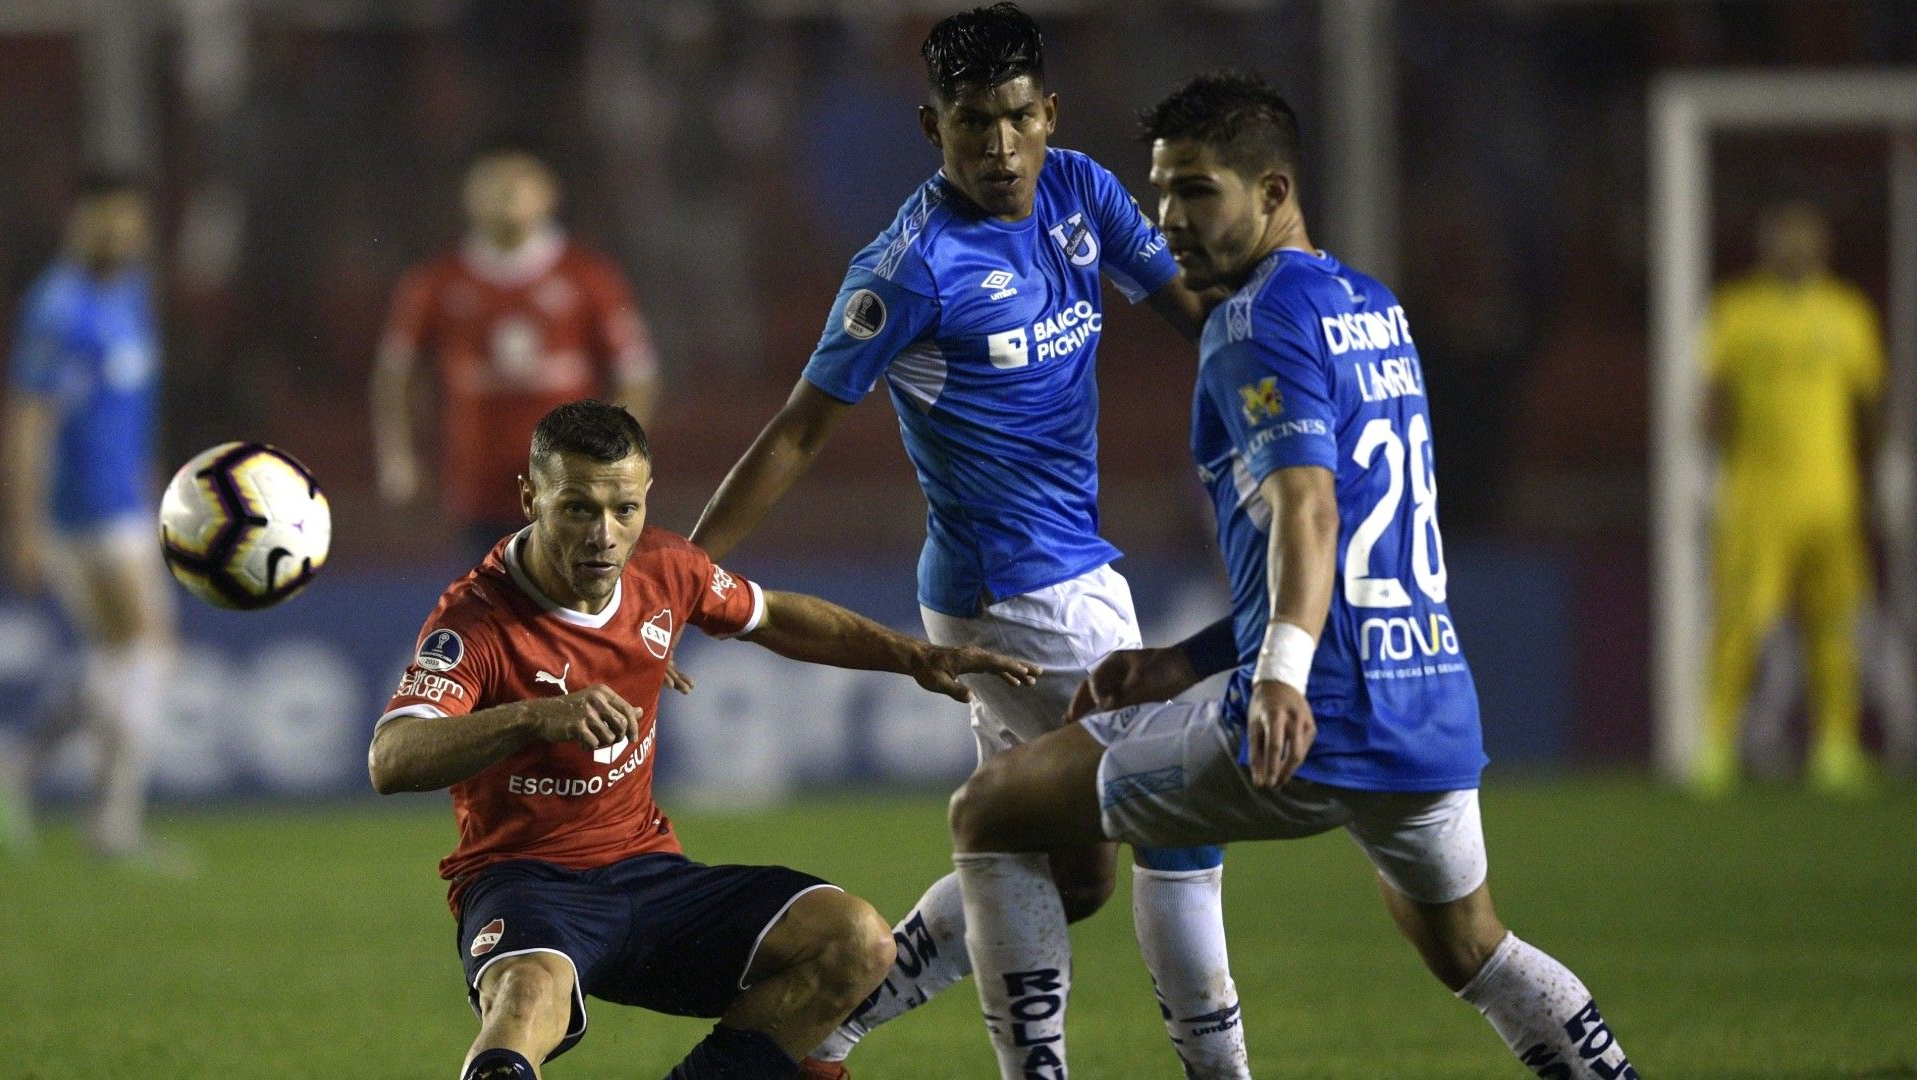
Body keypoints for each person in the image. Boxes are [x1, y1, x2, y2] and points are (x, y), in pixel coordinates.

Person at [946, 72, 1639, 1079]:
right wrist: (1182, 661)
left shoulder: (1251, 324)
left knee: (993, 808)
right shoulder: (1374, 308)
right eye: (1159, 191)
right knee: (1472, 948)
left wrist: (1275, 676)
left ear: (1274, 193)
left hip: (1320, 713)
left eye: (1197, 191)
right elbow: (1349, 545)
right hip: (1428, 703)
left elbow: (1309, 508)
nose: (1168, 221)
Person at [688, 5, 1248, 1077]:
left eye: (1016, 119)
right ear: (929, 125)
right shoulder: (907, 265)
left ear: (1051, 114)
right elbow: (799, 429)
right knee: (1181, 814)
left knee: (1063, 869)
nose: (999, 149)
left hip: (1073, 576)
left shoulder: (1080, 190)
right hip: (1013, 589)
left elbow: (1199, 313)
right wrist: (687, 574)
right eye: (971, 125)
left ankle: (824, 1028)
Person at [368, 399, 1040, 1080]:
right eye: (578, 509)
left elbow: (773, 615)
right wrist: (534, 717)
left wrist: (912, 656)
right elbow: (390, 759)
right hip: (525, 886)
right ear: (529, 498)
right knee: (523, 1003)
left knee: (855, 942)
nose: (605, 534)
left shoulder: (665, 567)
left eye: (624, 509)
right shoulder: (478, 618)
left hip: (649, 875)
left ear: (646, 499)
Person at [0, 170, 176, 863]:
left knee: (123, 657)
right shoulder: (57, 307)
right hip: (79, 512)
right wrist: (25, 527)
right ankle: (109, 823)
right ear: (76, 222)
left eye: (127, 221)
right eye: (103, 220)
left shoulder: (130, 293)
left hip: (125, 502)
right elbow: (27, 419)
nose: (117, 233)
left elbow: (130, 404)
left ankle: (21, 765)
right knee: (148, 652)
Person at [372, 140, 662, 563]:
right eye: (491, 183)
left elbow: (637, 373)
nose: (506, 192)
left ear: (549, 194)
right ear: (467, 198)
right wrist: (398, 458)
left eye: (519, 181)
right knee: (494, 601)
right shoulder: (435, 282)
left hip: (570, 481)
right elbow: (396, 374)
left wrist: (617, 457)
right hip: (478, 483)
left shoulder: (589, 277)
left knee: (569, 600)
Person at [1696, 201, 1888, 797]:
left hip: (1831, 495)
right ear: (1767, 247)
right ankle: (1716, 746)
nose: (1798, 249)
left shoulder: (1848, 313)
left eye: (1807, 239)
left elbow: (1869, 405)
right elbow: (1712, 400)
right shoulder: (1738, 311)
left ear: (1823, 247)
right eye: (1787, 239)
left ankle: (1836, 746)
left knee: (1835, 622)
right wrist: (1713, 469)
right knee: (1740, 623)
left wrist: (1880, 475)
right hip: (1757, 495)